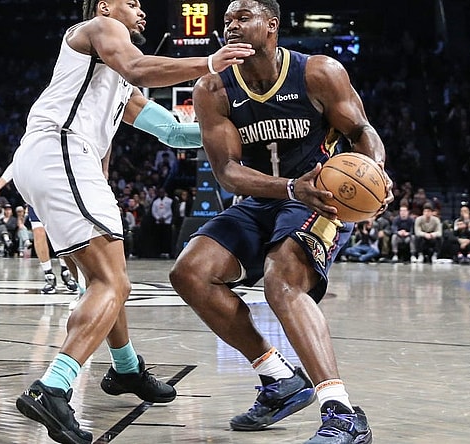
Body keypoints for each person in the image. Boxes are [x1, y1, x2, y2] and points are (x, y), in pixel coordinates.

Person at [10, 2, 255, 443]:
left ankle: (125, 370)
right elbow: (140, 66)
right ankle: (52, 387)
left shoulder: (118, 81)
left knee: (106, 279)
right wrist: (209, 62)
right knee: (112, 283)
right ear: (106, 6)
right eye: (133, 2)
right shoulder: (99, 27)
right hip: (60, 151)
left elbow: (177, 133)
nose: (142, 10)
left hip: (55, 161)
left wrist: (252, 130)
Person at [169, 1, 390, 442]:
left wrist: (375, 171)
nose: (230, 25)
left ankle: (342, 413)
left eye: (242, 17)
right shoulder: (213, 88)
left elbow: (362, 131)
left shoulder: (318, 72)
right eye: (227, 19)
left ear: (272, 25)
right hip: (267, 196)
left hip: (321, 197)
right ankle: (279, 378)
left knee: (281, 281)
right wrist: (289, 188)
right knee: (190, 273)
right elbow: (228, 171)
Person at [0, 163, 79, 293]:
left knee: (61, 232)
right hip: (36, 195)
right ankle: (49, 275)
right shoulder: (28, 145)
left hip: (58, 191)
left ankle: (66, 271)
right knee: (38, 232)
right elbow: (16, 164)